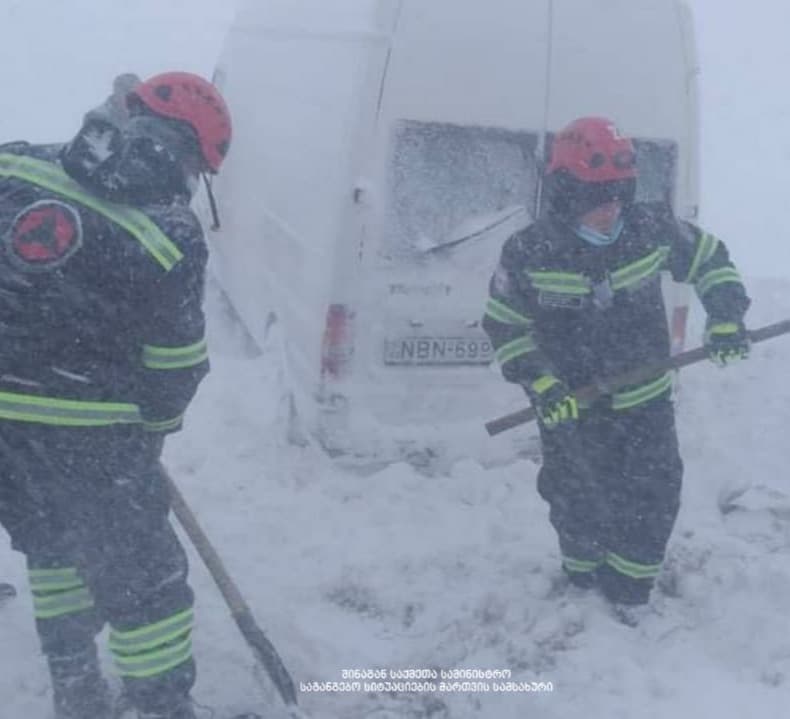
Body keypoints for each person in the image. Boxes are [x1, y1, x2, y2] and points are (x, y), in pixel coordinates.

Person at [0, 71, 232, 718]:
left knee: (51, 546)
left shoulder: (14, 161)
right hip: (86, 434)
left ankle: (75, 686)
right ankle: (160, 707)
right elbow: (176, 364)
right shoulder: (172, 230)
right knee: (145, 585)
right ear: (191, 160)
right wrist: (152, 428)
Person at [482, 116, 750, 619]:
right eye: (595, 196)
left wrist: (727, 319)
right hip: (570, 410)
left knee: (652, 496)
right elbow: (504, 326)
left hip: (644, 402)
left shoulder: (650, 230)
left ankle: (629, 597)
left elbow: (712, 262)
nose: (610, 209)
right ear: (565, 192)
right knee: (577, 501)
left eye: (618, 194)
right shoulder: (528, 253)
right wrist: (541, 382)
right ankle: (580, 581)